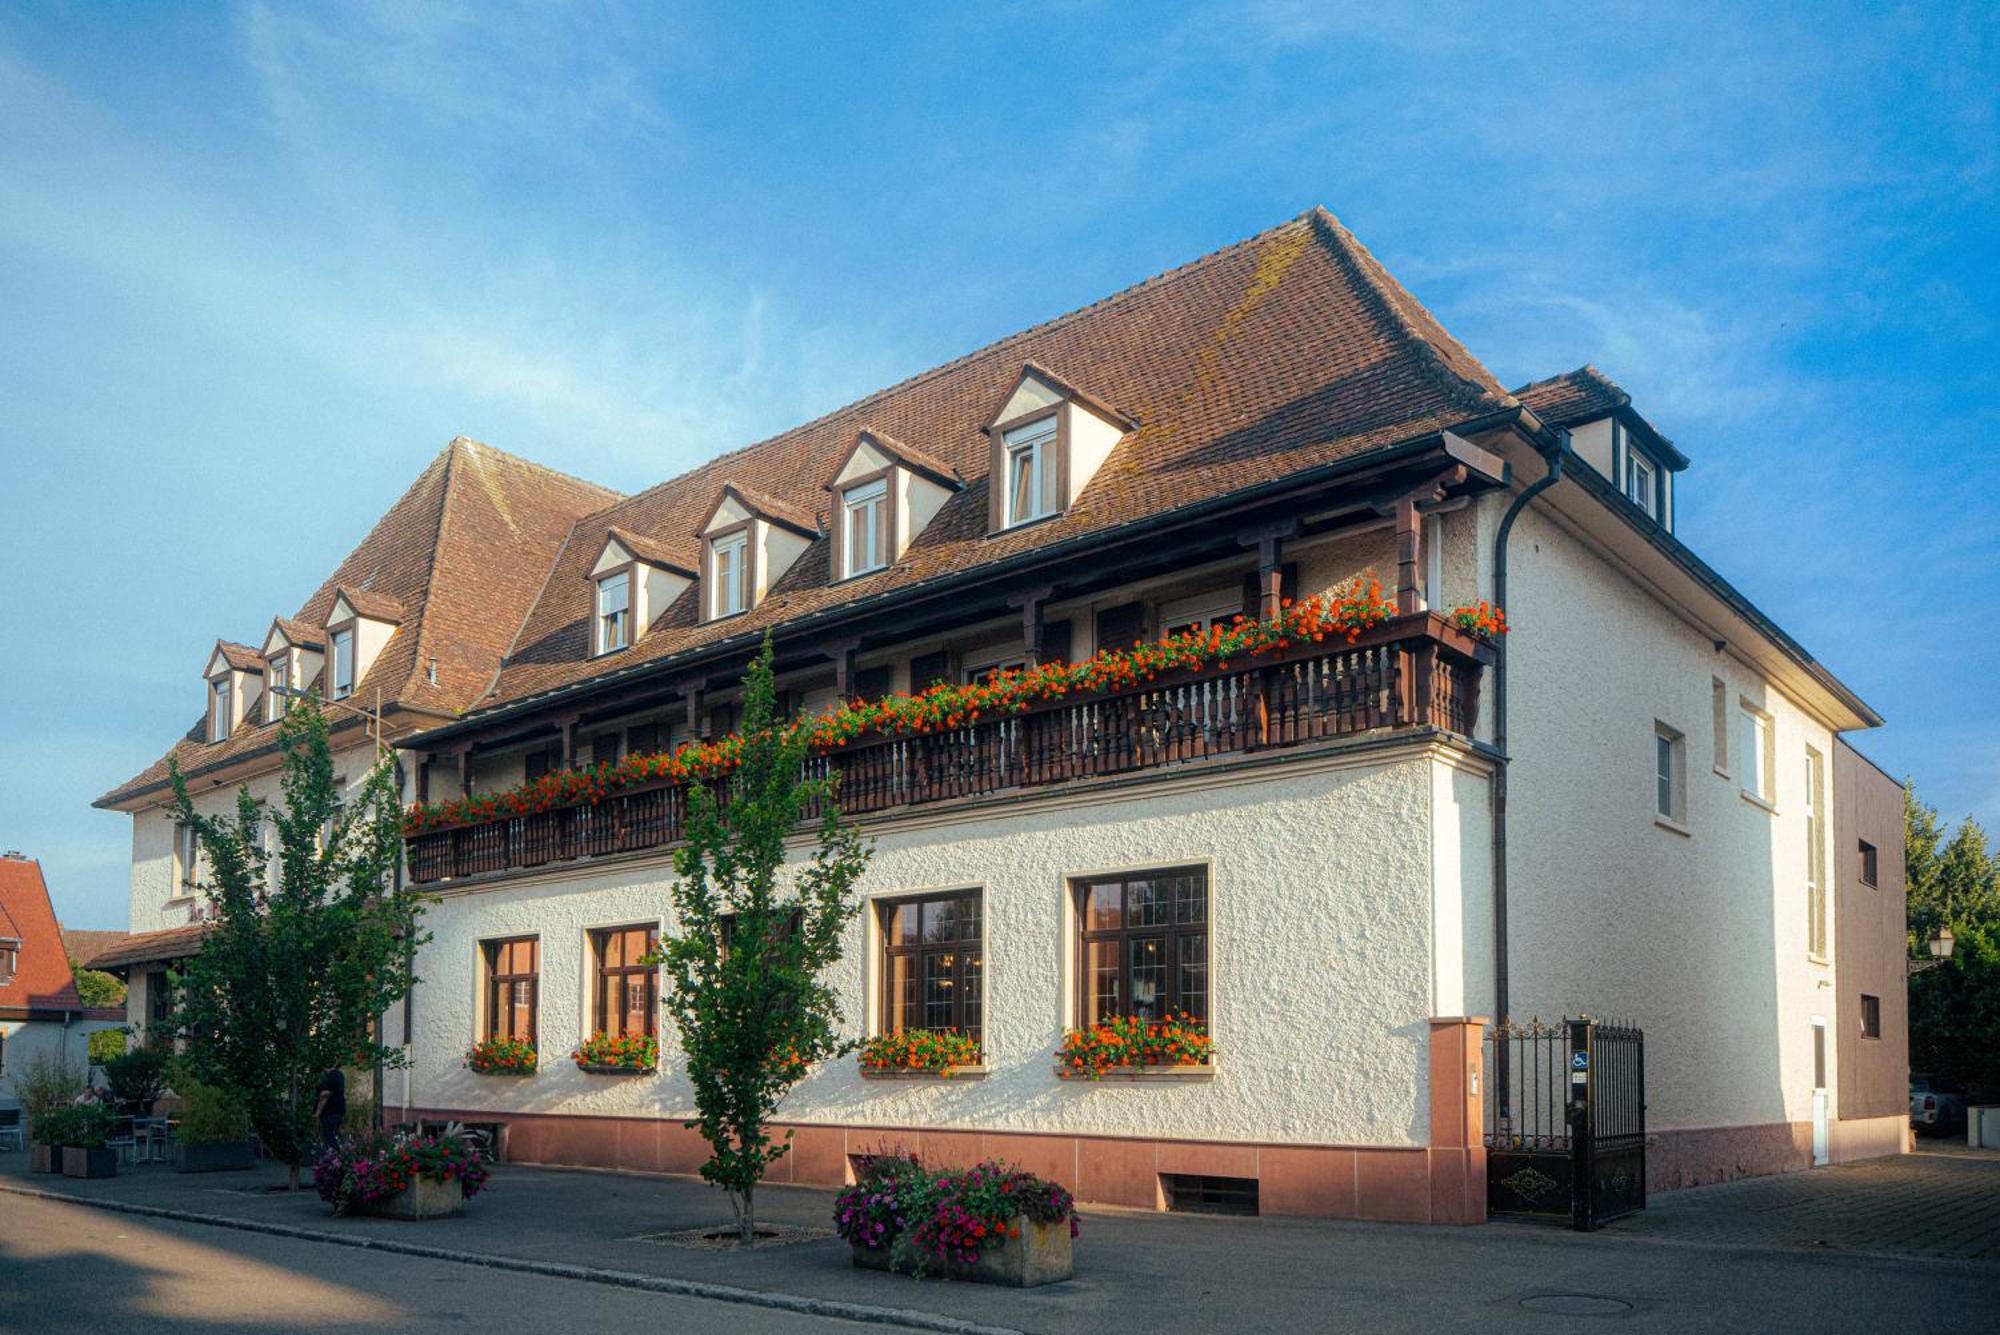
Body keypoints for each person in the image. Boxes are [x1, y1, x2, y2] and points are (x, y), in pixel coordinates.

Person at [313, 1066, 346, 1147]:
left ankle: (334, 1155)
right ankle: (336, 1155)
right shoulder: (339, 1074)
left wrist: (318, 1111)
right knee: (332, 1135)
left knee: (328, 1136)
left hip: (330, 1112)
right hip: (338, 1110)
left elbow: (324, 1094)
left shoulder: (332, 1076)